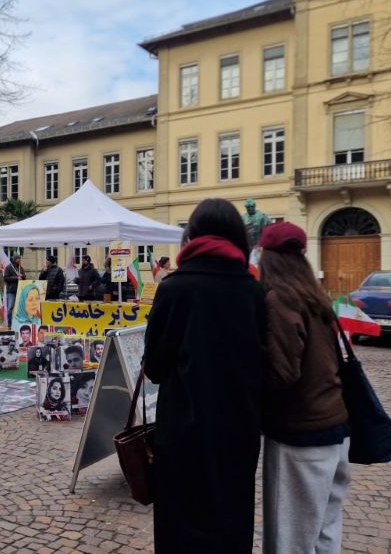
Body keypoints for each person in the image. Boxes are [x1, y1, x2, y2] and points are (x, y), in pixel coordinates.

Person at [142, 199, 267, 550]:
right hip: (239, 430)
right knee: (231, 518)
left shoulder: (174, 288)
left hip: (183, 430)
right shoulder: (253, 291)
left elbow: (154, 367)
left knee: (181, 524)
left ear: (190, 236)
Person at [258, 222, 350, 554]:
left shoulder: (281, 299)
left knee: (291, 541)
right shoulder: (315, 296)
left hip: (301, 436)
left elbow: (282, 374)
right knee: (325, 530)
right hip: (335, 428)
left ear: (266, 257)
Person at [3, 255, 25, 325]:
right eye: (18, 259)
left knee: (19, 307)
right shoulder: (8, 267)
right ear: (15, 259)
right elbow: (6, 278)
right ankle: (9, 323)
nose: (19, 260)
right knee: (10, 308)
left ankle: (18, 322)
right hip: (11, 291)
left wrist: (23, 276)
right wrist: (16, 278)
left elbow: (24, 277)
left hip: (19, 290)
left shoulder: (20, 268)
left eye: (20, 259)